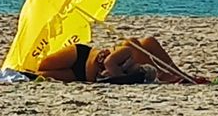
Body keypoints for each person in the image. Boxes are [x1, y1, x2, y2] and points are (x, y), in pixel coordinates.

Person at [36, 36, 207, 84]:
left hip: (82, 73)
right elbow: (112, 66)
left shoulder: (130, 58)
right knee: (40, 68)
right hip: (83, 59)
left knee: (147, 42)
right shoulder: (128, 52)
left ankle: (178, 74)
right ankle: (171, 75)